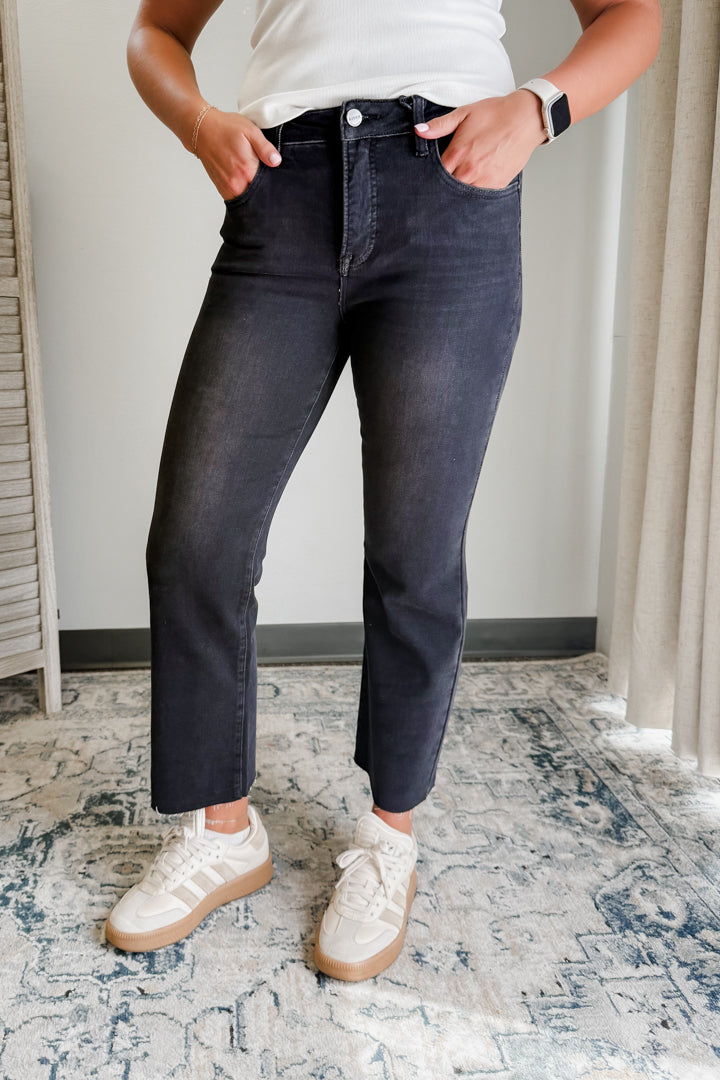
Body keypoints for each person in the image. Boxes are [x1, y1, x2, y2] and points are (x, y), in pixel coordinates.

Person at [104, 0, 662, 980]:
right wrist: (201, 124)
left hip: (448, 194)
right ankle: (223, 830)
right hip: (281, 192)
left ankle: (389, 836)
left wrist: (536, 109)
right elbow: (156, 33)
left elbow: (633, 18)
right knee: (196, 539)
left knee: (415, 551)